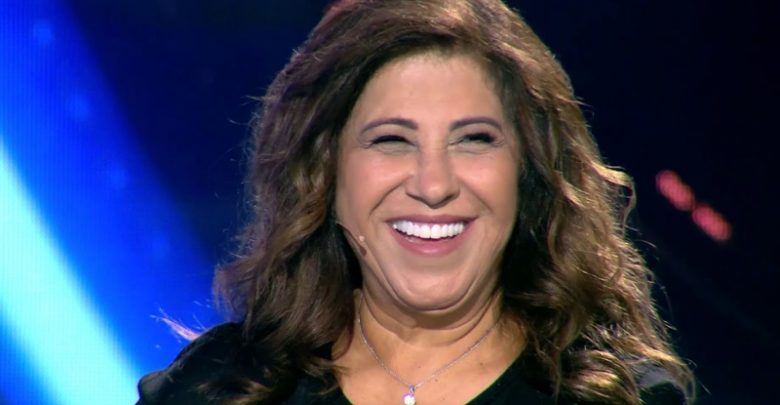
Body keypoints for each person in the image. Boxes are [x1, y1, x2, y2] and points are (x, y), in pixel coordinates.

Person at [137, 0, 694, 403]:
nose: (433, 185)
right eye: (392, 140)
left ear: (528, 174)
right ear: (326, 171)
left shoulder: (620, 398)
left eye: (473, 139)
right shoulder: (219, 388)